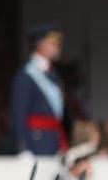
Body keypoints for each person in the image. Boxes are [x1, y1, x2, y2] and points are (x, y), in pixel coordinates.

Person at [10, 23, 66, 155]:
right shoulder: (26, 76)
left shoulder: (53, 75)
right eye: (53, 43)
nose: (57, 47)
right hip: (35, 141)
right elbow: (18, 114)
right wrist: (22, 147)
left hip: (53, 140)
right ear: (39, 44)